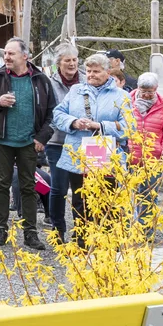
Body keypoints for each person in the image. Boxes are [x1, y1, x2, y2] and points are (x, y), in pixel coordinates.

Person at [0, 36, 56, 249]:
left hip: (29, 142)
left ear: (25, 56)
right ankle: (1, 229)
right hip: (2, 140)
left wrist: (42, 138)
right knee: (2, 185)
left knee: (29, 186)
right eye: (5, 53)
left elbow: (53, 112)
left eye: (11, 53)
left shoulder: (40, 79)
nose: (6, 57)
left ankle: (30, 233)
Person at [51, 53, 131, 233]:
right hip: (77, 150)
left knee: (106, 199)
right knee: (80, 200)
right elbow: (58, 114)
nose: (91, 75)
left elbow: (128, 127)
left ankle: (106, 244)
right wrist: (73, 122)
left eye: (96, 71)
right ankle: (82, 242)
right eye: (88, 71)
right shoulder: (75, 91)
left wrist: (100, 126)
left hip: (106, 152)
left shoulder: (121, 96)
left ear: (108, 72)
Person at [44, 44, 85, 241]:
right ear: (59, 63)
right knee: (59, 187)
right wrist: (69, 123)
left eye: (74, 60)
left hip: (82, 142)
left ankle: (81, 230)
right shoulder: (49, 83)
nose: (71, 64)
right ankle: (57, 228)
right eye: (67, 60)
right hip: (57, 141)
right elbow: (49, 112)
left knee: (81, 188)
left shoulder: (86, 81)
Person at [129, 72, 163, 227]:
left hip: (153, 159)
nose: (147, 95)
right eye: (144, 92)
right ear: (138, 89)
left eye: (151, 92)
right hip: (130, 156)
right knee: (128, 194)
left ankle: (146, 229)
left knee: (149, 195)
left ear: (156, 89)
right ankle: (129, 228)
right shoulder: (126, 102)